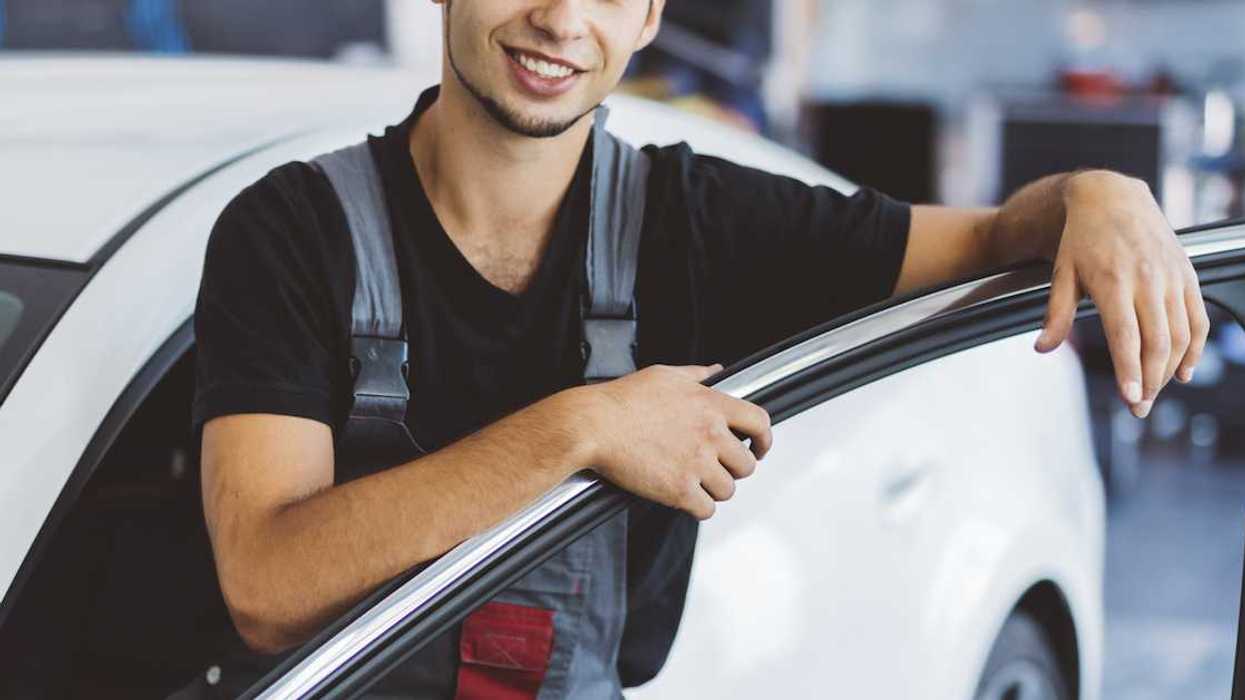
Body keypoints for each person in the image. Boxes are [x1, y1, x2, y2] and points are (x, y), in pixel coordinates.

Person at [190, 0, 1209, 696]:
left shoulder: (699, 223)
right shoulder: (288, 234)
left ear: (647, 16)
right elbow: (269, 589)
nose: (559, 17)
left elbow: (988, 240)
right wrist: (585, 428)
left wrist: (1098, 195)